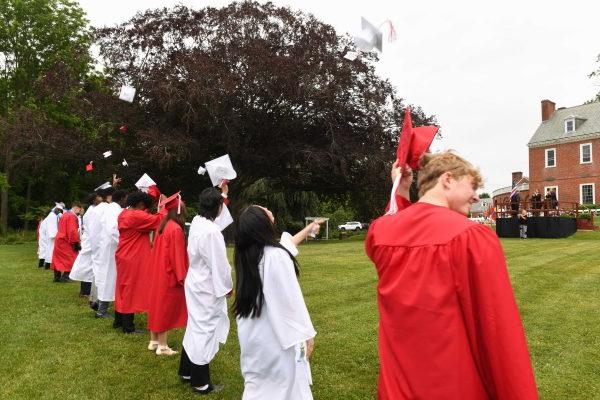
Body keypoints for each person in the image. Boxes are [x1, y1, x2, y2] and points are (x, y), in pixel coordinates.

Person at [365, 151, 538, 399]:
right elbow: (497, 330)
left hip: (397, 388)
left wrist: (401, 191)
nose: (477, 195)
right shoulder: (470, 237)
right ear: (447, 179)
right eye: (473, 185)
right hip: (454, 385)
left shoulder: (381, 234)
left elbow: (399, 228)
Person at [233, 205, 321, 400]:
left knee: (258, 385)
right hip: (277, 337)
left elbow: (287, 244)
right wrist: (306, 333)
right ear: (262, 224)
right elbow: (290, 300)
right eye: (264, 209)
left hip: (253, 333)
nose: (267, 208)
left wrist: (309, 229)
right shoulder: (275, 256)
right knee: (283, 387)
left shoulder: (247, 255)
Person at [179, 187, 232, 395]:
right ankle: (200, 382)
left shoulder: (198, 223)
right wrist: (227, 287)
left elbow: (217, 221)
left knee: (195, 325)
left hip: (195, 281)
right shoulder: (211, 232)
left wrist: (223, 194)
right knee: (205, 329)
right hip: (206, 286)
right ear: (218, 207)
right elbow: (219, 265)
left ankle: (187, 371)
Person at [114, 191, 165, 334]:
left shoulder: (124, 213)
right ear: (141, 204)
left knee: (122, 288)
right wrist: (164, 206)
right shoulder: (137, 216)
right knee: (131, 289)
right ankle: (128, 327)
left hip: (124, 254)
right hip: (133, 256)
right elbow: (159, 220)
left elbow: (146, 218)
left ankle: (118, 320)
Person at [147, 193, 189, 355]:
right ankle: (163, 346)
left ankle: (154, 340)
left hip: (158, 271)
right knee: (164, 308)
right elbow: (177, 256)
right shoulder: (176, 229)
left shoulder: (163, 226)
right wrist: (182, 277)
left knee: (156, 305)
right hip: (168, 274)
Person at [89, 188, 127, 318]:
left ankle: (98, 303)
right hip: (111, 247)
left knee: (107, 276)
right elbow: (113, 229)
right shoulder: (114, 210)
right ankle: (101, 311)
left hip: (108, 246)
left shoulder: (112, 208)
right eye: (126, 198)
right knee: (109, 278)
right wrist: (123, 241)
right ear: (121, 198)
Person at [71, 193, 102, 298]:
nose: (100, 198)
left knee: (87, 267)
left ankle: (85, 291)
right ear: (94, 200)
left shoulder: (92, 210)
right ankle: (85, 291)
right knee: (88, 267)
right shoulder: (93, 211)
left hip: (90, 240)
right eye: (99, 197)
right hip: (90, 241)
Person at [51, 202, 83, 282]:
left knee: (58, 259)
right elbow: (72, 231)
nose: (79, 212)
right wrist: (76, 242)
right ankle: (66, 276)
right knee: (71, 257)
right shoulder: (72, 216)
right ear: (76, 208)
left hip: (59, 238)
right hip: (66, 240)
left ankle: (57, 277)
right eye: (79, 210)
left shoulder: (65, 214)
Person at [41, 203, 64, 269]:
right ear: (56, 209)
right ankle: (48, 265)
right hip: (52, 236)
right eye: (59, 211)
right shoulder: (52, 216)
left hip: (51, 235)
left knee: (50, 249)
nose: (59, 212)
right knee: (51, 249)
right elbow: (52, 226)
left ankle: (48, 264)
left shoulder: (53, 215)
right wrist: (55, 235)